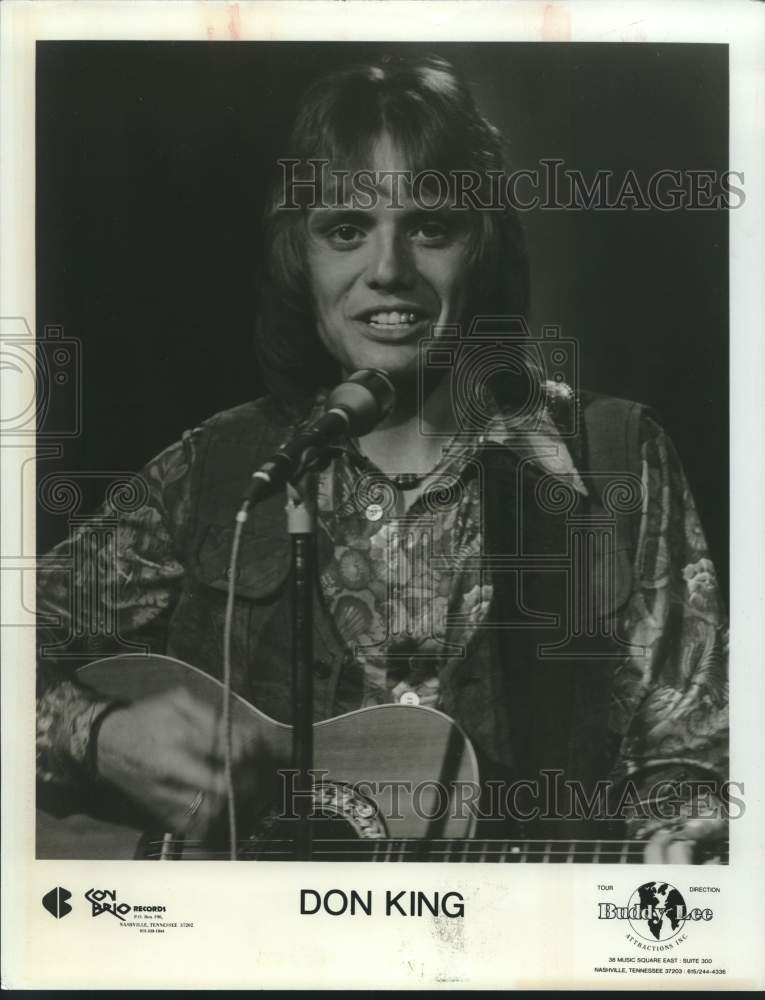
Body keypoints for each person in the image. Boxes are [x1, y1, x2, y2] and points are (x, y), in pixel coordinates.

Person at [36, 54, 729, 862]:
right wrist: (98, 735)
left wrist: (682, 838)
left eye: (431, 228)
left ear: (486, 247)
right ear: (301, 258)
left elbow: (690, 753)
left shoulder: (610, 461)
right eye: (345, 230)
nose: (389, 270)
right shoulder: (218, 469)